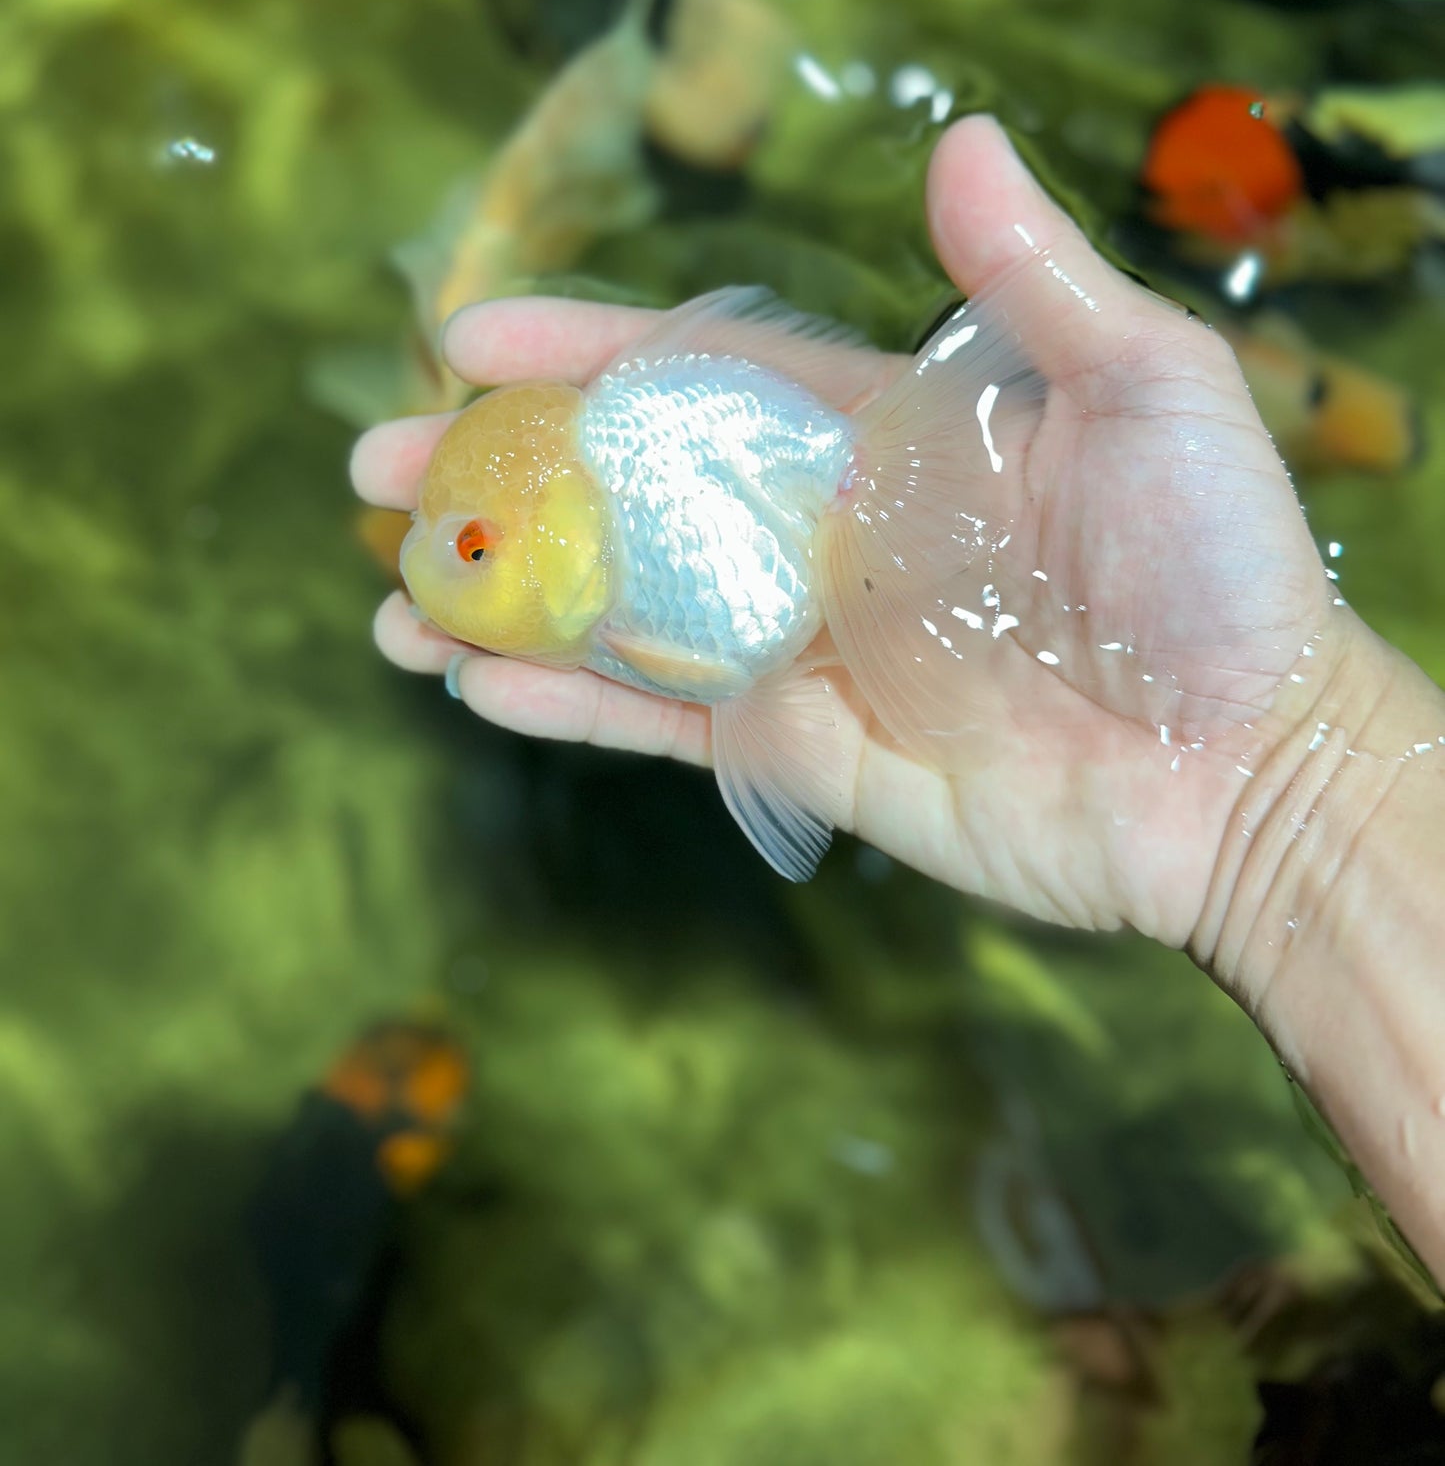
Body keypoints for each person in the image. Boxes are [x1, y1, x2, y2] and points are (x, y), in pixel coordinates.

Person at [352, 116, 1445, 1288]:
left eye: (469, 545)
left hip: (782, 525)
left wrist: (1279, 778)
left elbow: (721, 666)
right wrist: (1286, 785)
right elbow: (722, 676)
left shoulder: (639, 467)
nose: (438, 556)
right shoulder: (606, 502)